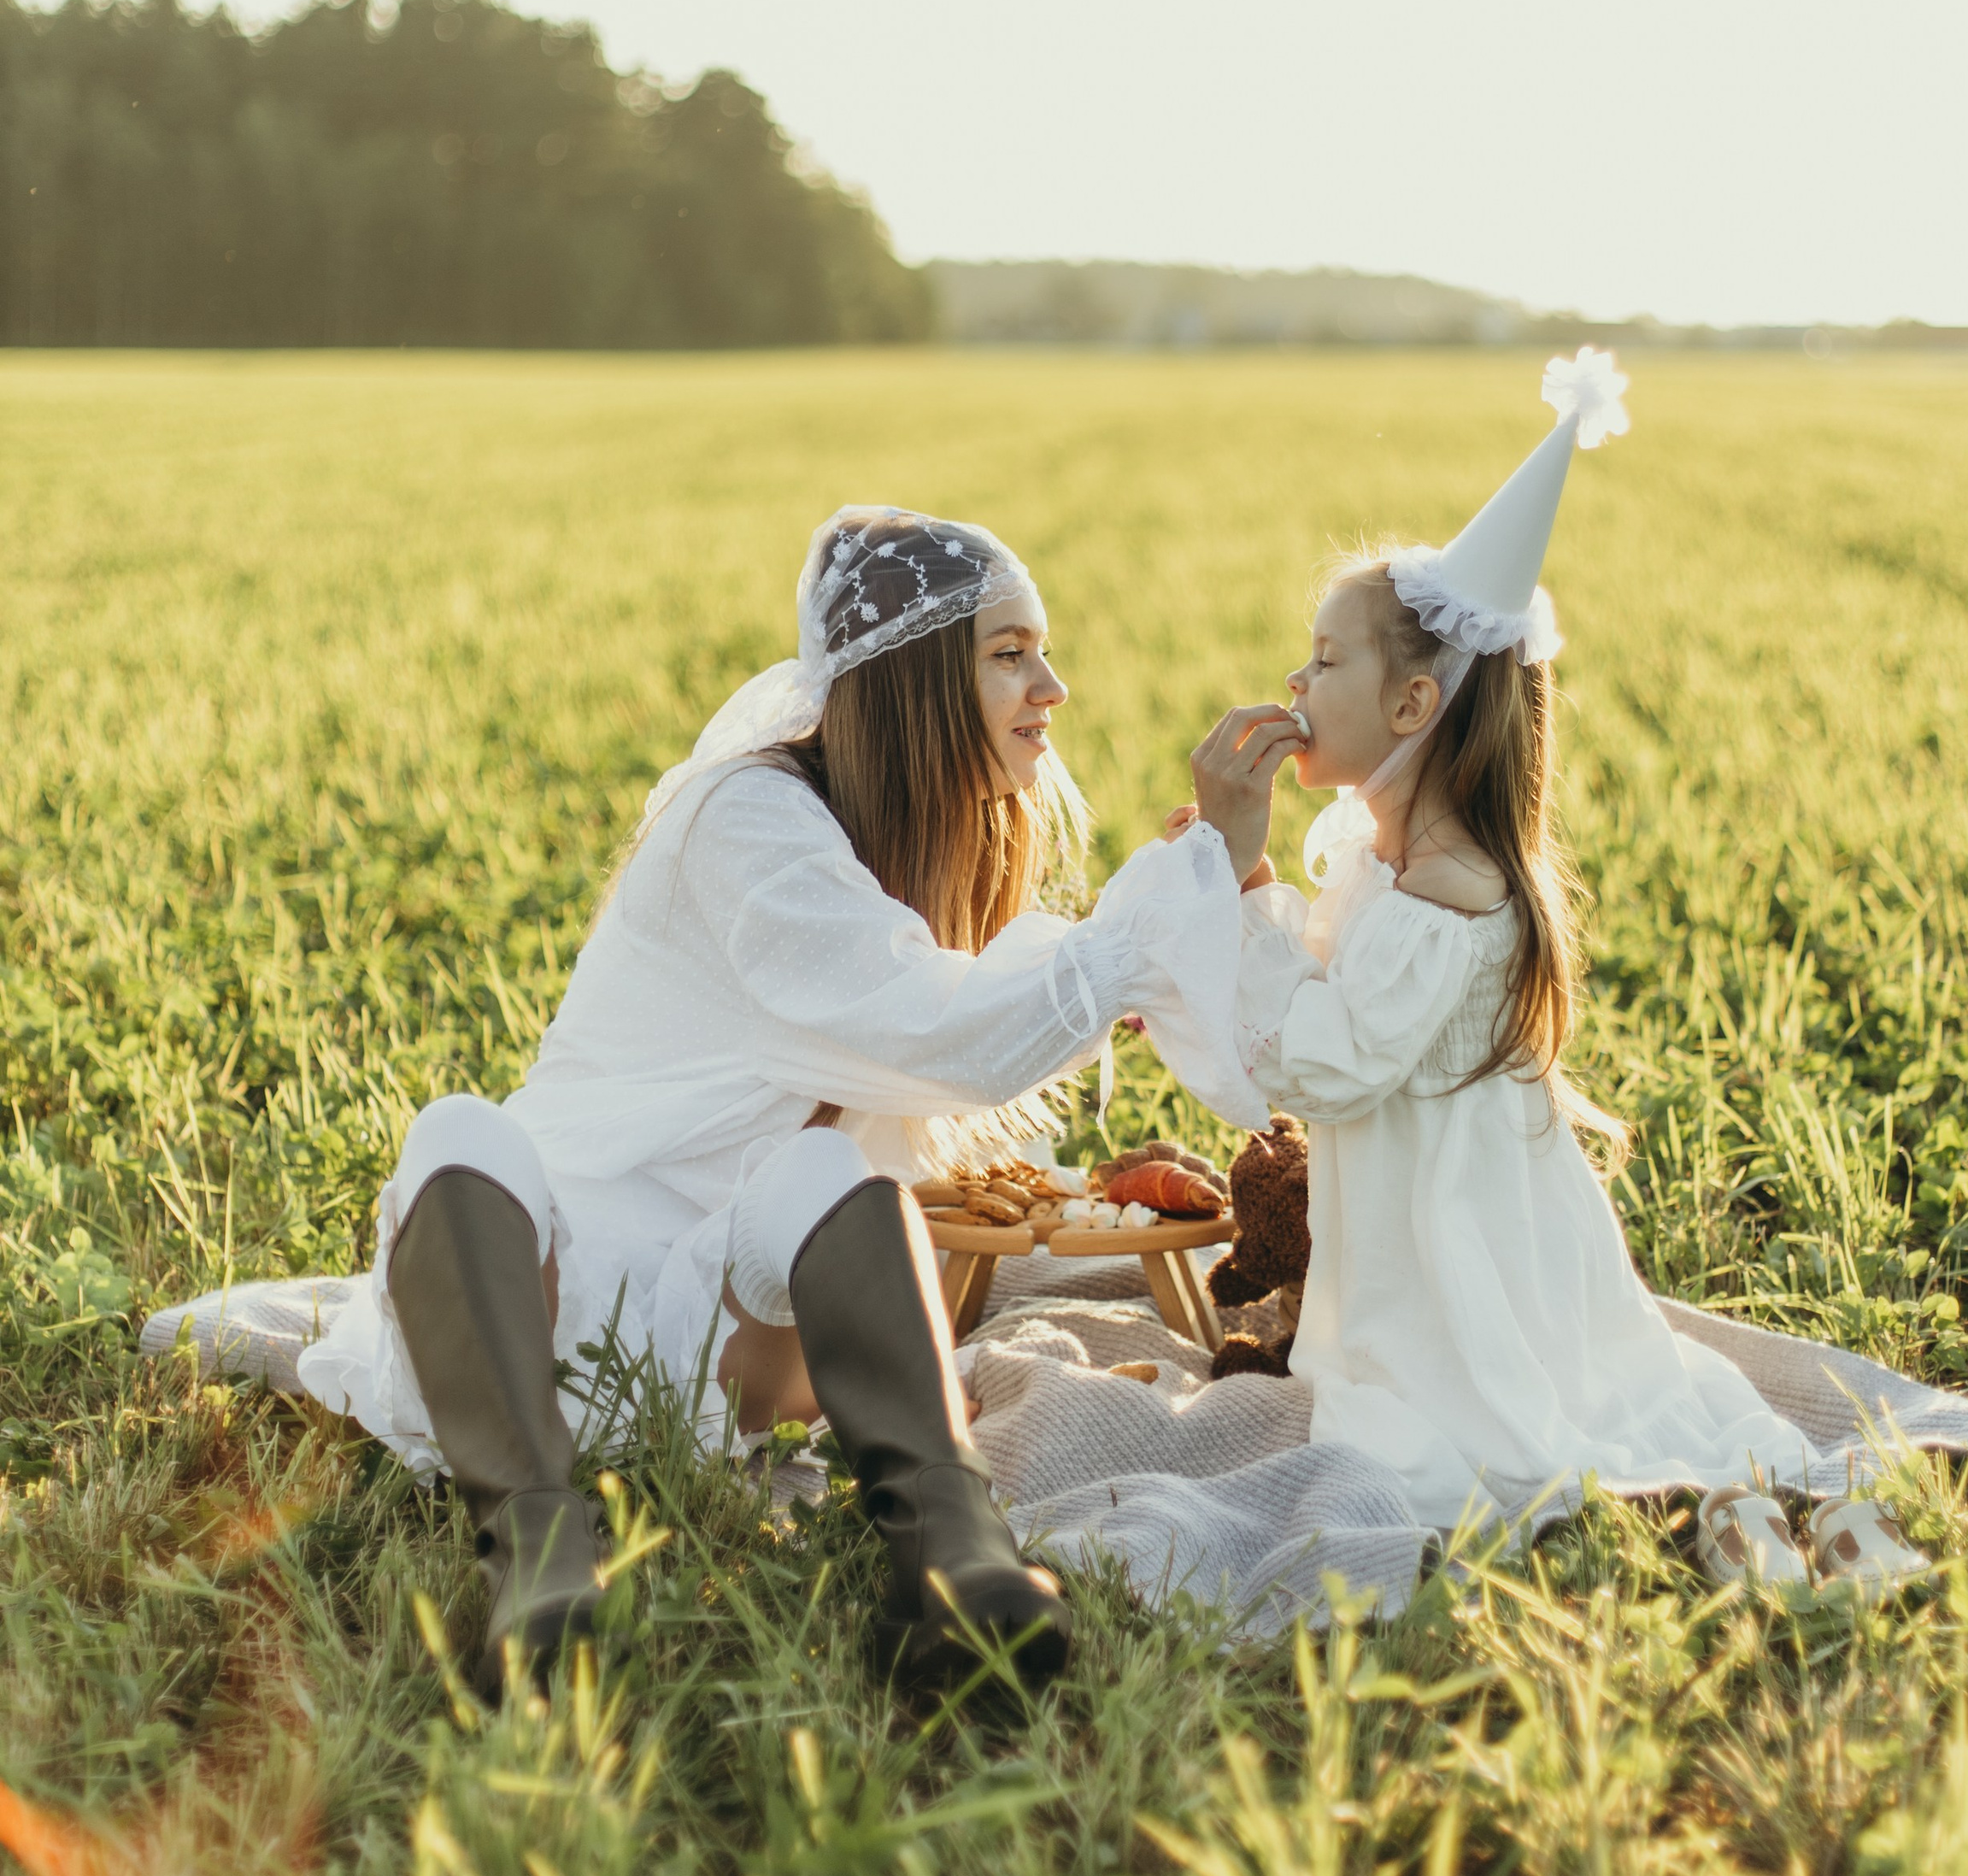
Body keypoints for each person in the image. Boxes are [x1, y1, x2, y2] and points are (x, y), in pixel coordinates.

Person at [296, 507, 1265, 1694]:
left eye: (1044, 652)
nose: (1051, 687)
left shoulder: (911, 836)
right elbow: (934, 1026)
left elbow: (977, 993)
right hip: (531, 1312)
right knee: (459, 1130)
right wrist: (1154, 917)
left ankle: (954, 1559)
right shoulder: (744, 820)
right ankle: (538, 1557)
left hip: (724, 1339)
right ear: (914, 681)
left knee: (828, 1174)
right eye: (1010, 654)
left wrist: (1190, 898)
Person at [1183, 357, 1935, 1597]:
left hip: (1453, 1255)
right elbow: (1323, 995)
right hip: (1449, 1220)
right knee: (1526, 1403)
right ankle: (1748, 1511)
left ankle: (1732, 1508)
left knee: (1445, 1443)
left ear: (1414, 702)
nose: (1296, 685)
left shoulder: (1445, 895)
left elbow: (1326, 1062)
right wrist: (1243, 879)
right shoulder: (1388, 862)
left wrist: (1241, 877)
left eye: (1323, 661)